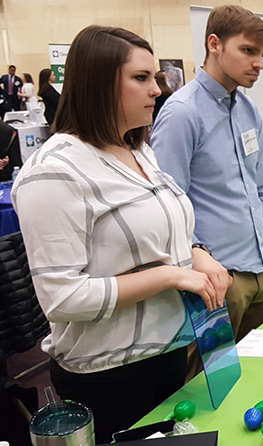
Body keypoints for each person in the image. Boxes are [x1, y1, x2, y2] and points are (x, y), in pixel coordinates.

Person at [11, 25, 230, 443]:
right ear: (99, 82)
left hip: (168, 350)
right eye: (141, 78)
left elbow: (163, 234)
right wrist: (169, 276)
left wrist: (196, 254)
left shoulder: (138, 150)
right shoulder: (54, 171)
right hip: (109, 375)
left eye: (155, 78)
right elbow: (63, 299)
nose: (157, 89)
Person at [151, 5, 263, 365]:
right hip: (219, 281)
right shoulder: (182, 113)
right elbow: (166, 206)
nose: (259, 64)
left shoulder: (248, 109)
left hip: (262, 270)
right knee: (212, 386)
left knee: (261, 374)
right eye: (248, 51)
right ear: (214, 44)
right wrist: (199, 259)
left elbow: (262, 187)